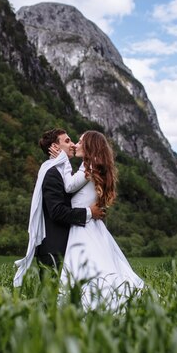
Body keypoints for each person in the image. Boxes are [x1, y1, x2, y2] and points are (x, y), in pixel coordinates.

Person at [55, 131, 144, 311]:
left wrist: (63, 160)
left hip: (84, 227)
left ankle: (88, 305)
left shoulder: (89, 166)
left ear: (90, 146)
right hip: (90, 224)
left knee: (86, 267)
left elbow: (69, 185)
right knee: (95, 266)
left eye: (80, 142)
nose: (76, 145)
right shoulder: (94, 165)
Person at [13, 128, 105, 287]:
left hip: (66, 246)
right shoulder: (52, 173)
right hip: (54, 249)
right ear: (56, 147)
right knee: (54, 302)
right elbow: (56, 211)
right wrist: (90, 212)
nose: (73, 145)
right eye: (67, 141)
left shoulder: (63, 172)